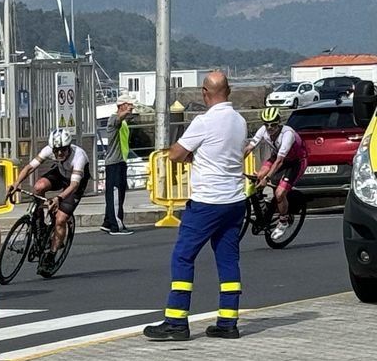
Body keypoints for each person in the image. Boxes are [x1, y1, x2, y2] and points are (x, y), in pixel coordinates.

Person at [144, 71, 247, 342]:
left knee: (183, 256)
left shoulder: (204, 121)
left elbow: (176, 154)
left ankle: (176, 320)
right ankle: (228, 320)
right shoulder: (239, 121)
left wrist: (192, 157)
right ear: (230, 90)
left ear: (204, 92)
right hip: (235, 200)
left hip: (207, 202)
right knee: (227, 260)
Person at [7, 128, 92, 274]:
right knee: (39, 187)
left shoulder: (79, 157)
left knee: (61, 218)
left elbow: (74, 185)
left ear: (69, 147)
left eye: (63, 150)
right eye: (56, 150)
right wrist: (16, 183)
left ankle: (51, 255)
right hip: (60, 173)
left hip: (74, 183)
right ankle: (39, 225)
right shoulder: (49, 150)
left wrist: (59, 198)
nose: (59, 153)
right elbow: (29, 167)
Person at [245, 107, 307, 235]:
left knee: (279, 193)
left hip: (296, 162)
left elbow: (279, 161)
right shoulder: (263, 130)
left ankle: (283, 221)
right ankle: (263, 206)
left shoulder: (287, 134)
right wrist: (234, 164)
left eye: (273, 124)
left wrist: (267, 179)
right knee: (258, 176)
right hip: (278, 157)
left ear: (279, 123)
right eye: (266, 125)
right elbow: (249, 148)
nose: (270, 128)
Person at [101, 94, 137, 235]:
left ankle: (108, 221)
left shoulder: (124, 122)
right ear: (121, 105)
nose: (131, 108)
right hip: (114, 162)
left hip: (121, 161)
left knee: (118, 193)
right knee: (115, 193)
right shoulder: (113, 119)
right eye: (128, 105)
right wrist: (125, 112)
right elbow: (117, 119)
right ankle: (116, 225)